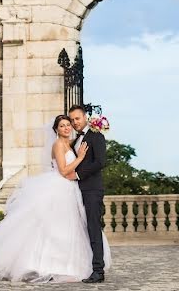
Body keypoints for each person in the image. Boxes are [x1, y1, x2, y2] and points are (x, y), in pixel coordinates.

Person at [0, 114, 111, 283]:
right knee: (56, 228)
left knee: (73, 228)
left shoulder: (72, 144)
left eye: (69, 124)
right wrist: (81, 158)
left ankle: (72, 265)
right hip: (60, 187)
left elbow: (96, 162)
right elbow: (63, 170)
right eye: (62, 125)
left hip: (72, 188)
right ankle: (51, 265)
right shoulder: (58, 145)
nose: (67, 127)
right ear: (56, 129)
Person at [68, 104, 107, 284]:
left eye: (78, 118)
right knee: (80, 230)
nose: (75, 122)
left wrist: (78, 174)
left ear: (85, 118)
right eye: (72, 119)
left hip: (92, 189)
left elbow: (101, 162)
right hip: (77, 190)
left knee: (93, 228)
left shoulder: (96, 136)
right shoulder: (74, 139)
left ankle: (98, 271)